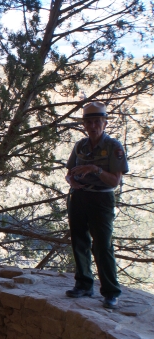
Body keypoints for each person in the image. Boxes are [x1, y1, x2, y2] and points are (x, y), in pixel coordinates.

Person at [65, 102, 128, 309]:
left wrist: (95, 169)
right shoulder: (80, 146)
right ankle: (83, 284)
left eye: (97, 122)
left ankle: (110, 292)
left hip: (101, 199)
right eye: (89, 122)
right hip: (79, 196)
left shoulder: (113, 147)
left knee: (102, 245)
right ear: (84, 125)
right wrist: (72, 181)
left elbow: (115, 181)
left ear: (105, 123)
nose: (93, 126)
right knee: (79, 241)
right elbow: (70, 172)